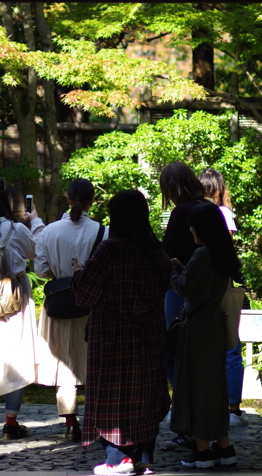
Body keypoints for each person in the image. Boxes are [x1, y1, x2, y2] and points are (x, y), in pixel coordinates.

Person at [70, 190, 171, 475]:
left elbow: (84, 294)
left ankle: (118, 458)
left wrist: (79, 272)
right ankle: (142, 456)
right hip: (149, 334)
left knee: (113, 392)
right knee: (146, 390)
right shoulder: (158, 251)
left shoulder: (109, 250)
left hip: (112, 335)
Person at [33, 178, 109, 442]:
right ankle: (98, 422)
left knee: (65, 361)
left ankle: (70, 422)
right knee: (94, 362)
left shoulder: (49, 232)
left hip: (60, 304)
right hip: (92, 306)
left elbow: (41, 271)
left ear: (67, 199)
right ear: (91, 201)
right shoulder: (103, 231)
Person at [169, 201, 239, 469]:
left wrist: (170, 273)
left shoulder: (202, 254)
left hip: (196, 324)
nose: (190, 230)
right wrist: (180, 269)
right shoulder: (222, 252)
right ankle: (224, 446)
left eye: (193, 226)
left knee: (195, 386)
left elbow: (186, 288)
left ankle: (202, 451)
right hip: (213, 322)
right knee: (214, 386)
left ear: (202, 228)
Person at [0, 183, 45, 440]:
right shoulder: (16, 229)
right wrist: (35, 221)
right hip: (13, 300)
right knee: (15, 357)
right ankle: (10, 423)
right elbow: (36, 250)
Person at [158, 161, 207, 450]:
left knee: (173, 356)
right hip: (207, 294)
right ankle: (199, 424)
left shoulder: (182, 212)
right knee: (197, 360)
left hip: (180, 292)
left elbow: (168, 253)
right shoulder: (208, 207)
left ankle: (186, 420)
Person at [198, 167, 248, 428]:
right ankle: (232, 407)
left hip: (202, 283)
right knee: (230, 345)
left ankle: (207, 404)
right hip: (224, 283)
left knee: (204, 346)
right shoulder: (224, 213)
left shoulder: (195, 211)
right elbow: (226, 250)